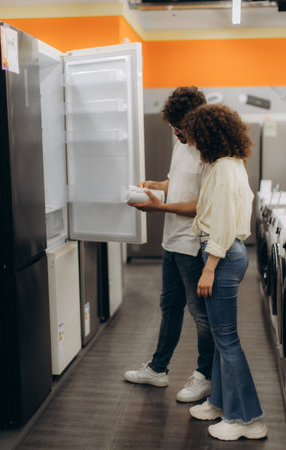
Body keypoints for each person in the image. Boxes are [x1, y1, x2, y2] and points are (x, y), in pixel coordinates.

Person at [180, 103, 267, 441]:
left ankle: (248, 418)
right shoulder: (228, 165)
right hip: (225, 255)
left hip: (223, 256)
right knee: (220, 338)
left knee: (227, 340)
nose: (195, 146)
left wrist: (210, 267)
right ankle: (220, 402)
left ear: (208, 137)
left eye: (196, 139)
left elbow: (223, 223)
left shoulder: (224, 171)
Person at [124, 86, 214, 403]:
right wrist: (154, 186)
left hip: (194, 245)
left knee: (201, 315)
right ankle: (158, 369)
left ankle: (206, 376)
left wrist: (160, 208)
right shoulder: (181, 145)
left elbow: (203, 204)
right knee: (169, 308)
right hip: (171, 241)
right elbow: (176, 184)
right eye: (172, 127)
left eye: (181, 127)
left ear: (197, 120)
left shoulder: (210, 153)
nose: (176, 133)